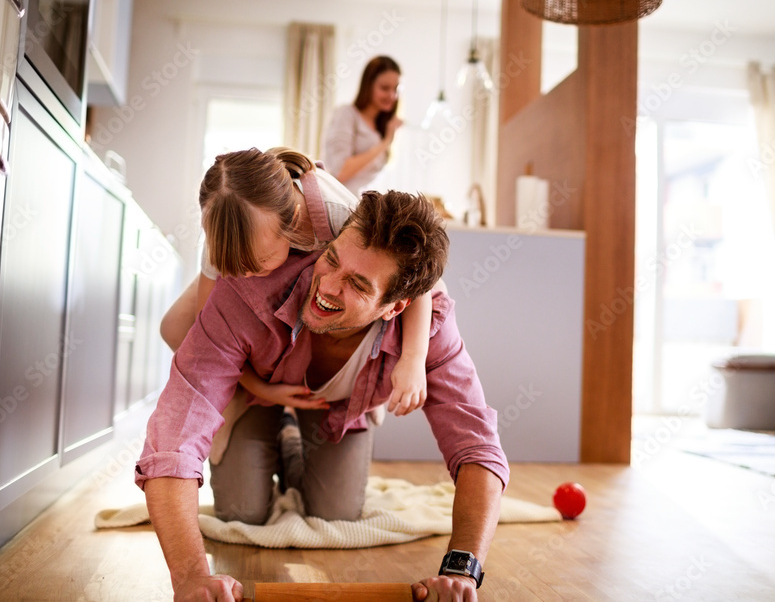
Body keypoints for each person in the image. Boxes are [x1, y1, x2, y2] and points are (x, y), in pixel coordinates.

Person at [136, 191, 509, 602]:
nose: (327, 287)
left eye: (357, 284)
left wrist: (463, 567)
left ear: (394, 307)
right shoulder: (248, 291)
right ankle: (271, 425)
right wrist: (190, 575)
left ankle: (292, 441)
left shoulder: (432, 330)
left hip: (340, 408)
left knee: (336, 512)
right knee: (243, 510)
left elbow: (476, 444)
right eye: (331, 259)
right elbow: (176, 430)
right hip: (252, 389)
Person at [158, 147, 429, 418]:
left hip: (320, 285)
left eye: (259, 261)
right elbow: (210, 332)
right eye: (236, 266)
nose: (246, 276)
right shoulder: (226, 228)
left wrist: (413, 360)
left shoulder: (339, 213)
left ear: (294, 222)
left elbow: (423, 283)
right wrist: (260, 388)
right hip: (255, 258)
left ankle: (361, 393)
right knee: (173, 327)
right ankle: (239, 393)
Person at [320, 55, 402, 195]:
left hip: (359, 207)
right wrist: (386, 142)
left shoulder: (380, 126)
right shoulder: (346, 114)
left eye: (395, 89)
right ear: (368, 86)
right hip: (338, 202)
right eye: (384, 88)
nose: (392, 95)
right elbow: (340, 171)